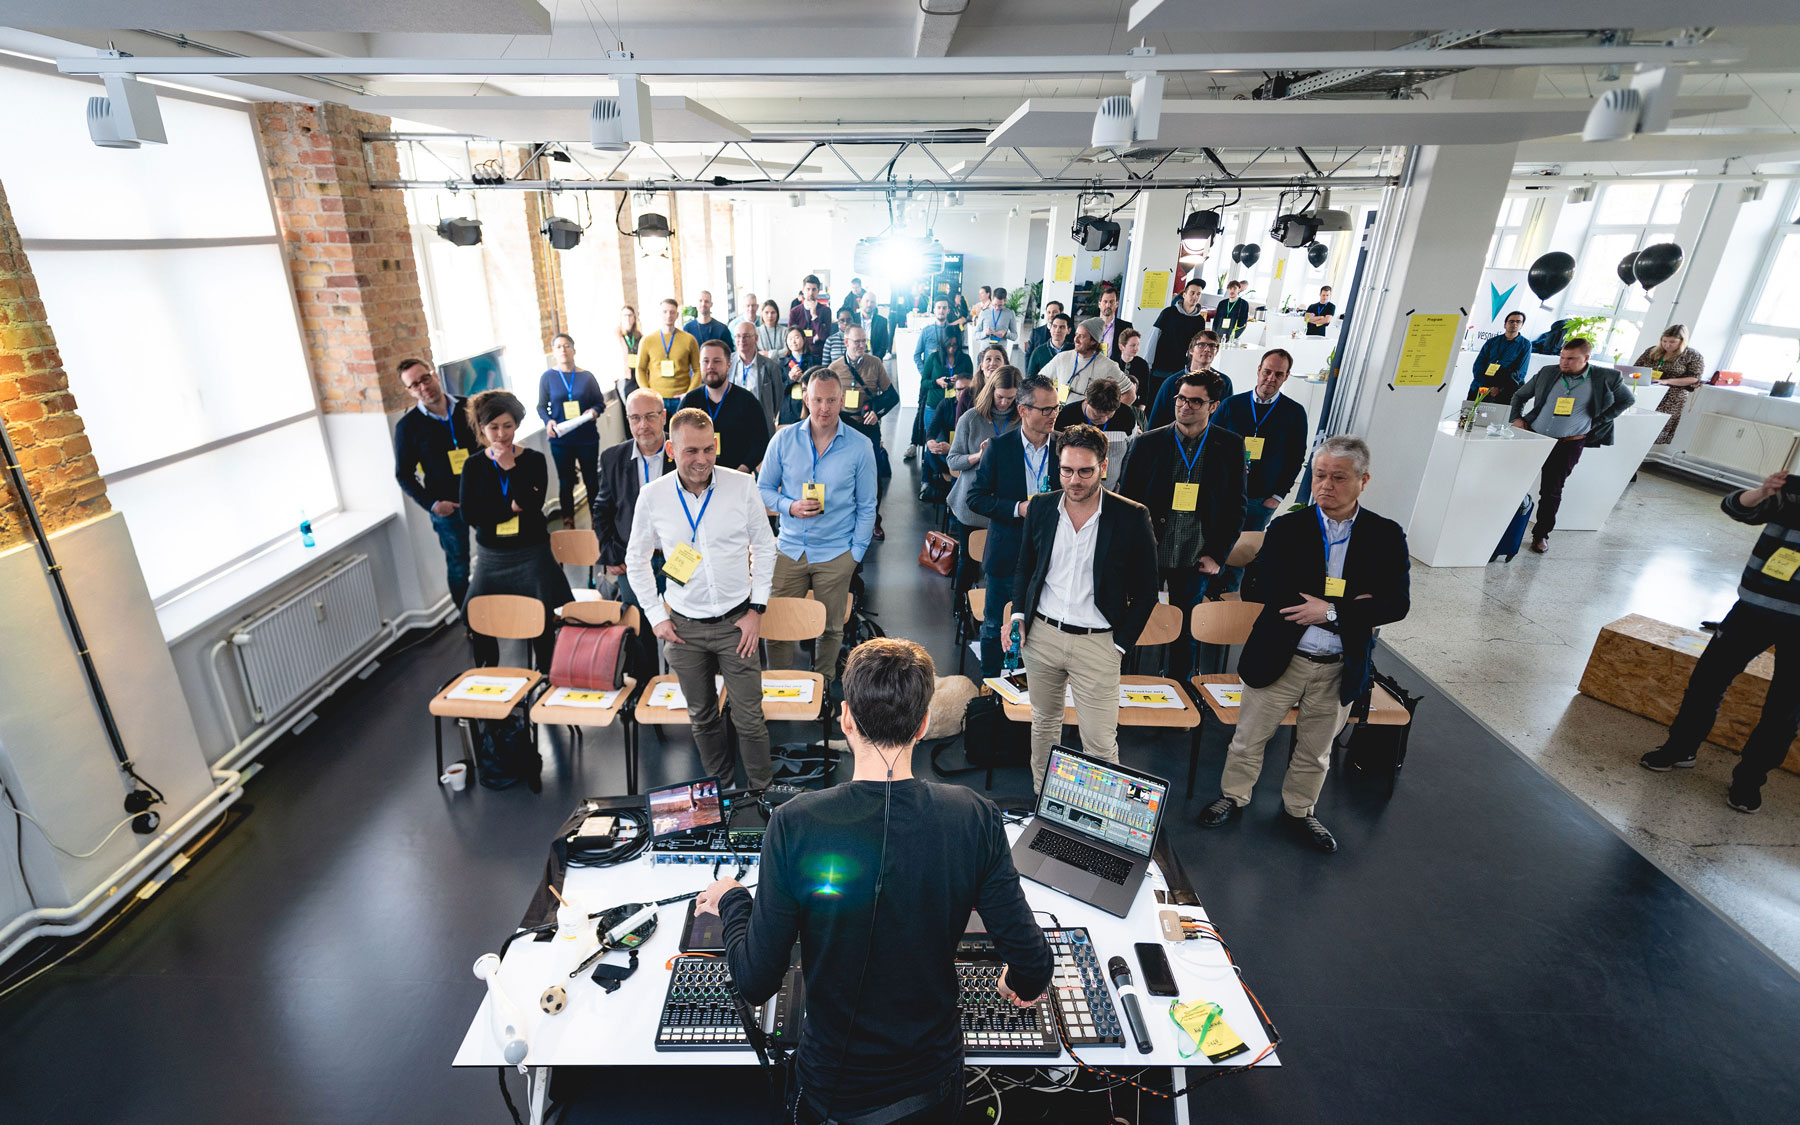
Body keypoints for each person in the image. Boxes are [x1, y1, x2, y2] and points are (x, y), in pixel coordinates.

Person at [698, 638, 1052, 1125]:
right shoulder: (975, 817)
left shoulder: (795, 824)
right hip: (934, 1091)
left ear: (846, 719)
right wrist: (1018, 978)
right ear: (924, 724)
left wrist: (736, 902)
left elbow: (756, 981)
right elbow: (1033, 963)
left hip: (833, 1097)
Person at [1198, 435, 1410, 854]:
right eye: (1318, 476)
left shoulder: (1385, 535)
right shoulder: (1288, 528)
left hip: (1339, 663)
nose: (1325, 486)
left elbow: (1395, 603)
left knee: (1316, 750)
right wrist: (1354, 605)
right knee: (1249, 738)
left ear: (1363, 481)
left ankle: (1300, 810)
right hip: (1282, 655)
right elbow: (1269, 586)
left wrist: (1329, 611)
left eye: (1338, 477)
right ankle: (1234, 796)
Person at [626, 408, 776, 791]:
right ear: (672, 449)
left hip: (736, 623)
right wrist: (657, 617)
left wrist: (757, 610)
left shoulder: (741, 486)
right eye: (692, 451)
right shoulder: (653, 497)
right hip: (683, 628)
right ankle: (721, 789)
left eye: (709, 449)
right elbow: (636, 560)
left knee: (749, 718)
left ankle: (762, 791)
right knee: (702, 718)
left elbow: (764, 546)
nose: (703, 460)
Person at [1640, 470, 1799, 814]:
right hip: (1752, 608)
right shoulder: (1794, 495)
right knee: (1707, 681)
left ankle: (1749, 780)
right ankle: (1681, 748)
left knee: (1784, 708)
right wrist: (1761, 491)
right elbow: (1736, 508)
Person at [1011, 425, 1159, 789]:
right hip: (1042, 636)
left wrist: (1120, 644)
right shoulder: (1043, 507)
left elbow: (1148, 590)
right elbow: (1025, 567)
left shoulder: (1130, 515)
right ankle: (1044, 801)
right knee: (1044, 724)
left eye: (1085, 471)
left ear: (1104, 467)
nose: (1074, 480)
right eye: (1066, 470)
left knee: (1100, 743)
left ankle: (1101, 822)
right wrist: (1018, 616)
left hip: (1098, 643)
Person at [1118, 370, 1246, 680]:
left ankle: (1179, 688)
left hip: (1195, 555)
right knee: (1131, 624)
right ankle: (1117, 685)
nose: (1184, 406)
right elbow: (1127, 500)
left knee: (1186, 631)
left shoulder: (1229, 446)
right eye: (1180, 399)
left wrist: (1218, 555)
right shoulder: (1148, 443)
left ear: (1213, 406)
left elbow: (1235, 507)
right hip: (1151, 551)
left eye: (1194, 401)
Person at [758, 368, 879, 687]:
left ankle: (822, 688)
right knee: (779, 623)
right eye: (817, 400)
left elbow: (868, 506)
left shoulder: (860, 446)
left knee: (830, 628)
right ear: (806, 399)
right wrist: (789, 505)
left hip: (836, 552)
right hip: (789, 548)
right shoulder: (783, 439)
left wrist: (854, 554)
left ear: (842, 401)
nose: (824, 407)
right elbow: (763, 489)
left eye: (831, 400)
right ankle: (780, 686)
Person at [458, 390, 573, 674]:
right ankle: (487, 673)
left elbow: (534, 506)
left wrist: (510, 468)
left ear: (517, 425)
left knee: (541, 615)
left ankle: (546, 674)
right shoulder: (473, 465)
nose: (500, 434)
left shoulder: (532, 459)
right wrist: (510, 508)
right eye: (493, 427)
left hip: (531, 552)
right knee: (478, 613)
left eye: (507, 426)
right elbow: (470, 515)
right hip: (492, 556)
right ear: (482, 428)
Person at [968, 373, 1059, 677]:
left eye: (1056, 408)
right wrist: (1017, 508)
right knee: (996, 626)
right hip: (1007, 553)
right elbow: (976, 498)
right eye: (1045, 409)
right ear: (1023, 410)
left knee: (1043, 628)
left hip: (1052, 556)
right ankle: (992, 687)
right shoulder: (999, 447)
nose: (1052, 416)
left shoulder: (1064, 447)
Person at [1509, 337, 1636, 554]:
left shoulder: (1606, 377)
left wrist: (1594, 422)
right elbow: (1520, 395)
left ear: (1586, 358)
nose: (1564, 362)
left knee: (1551, 491)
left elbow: (1626, 400)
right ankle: (1502, 529)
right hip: (1535, 437)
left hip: (1568, 443)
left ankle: (1541, 535)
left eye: (1571, 358)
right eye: (1562, 357)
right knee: (1513, 483)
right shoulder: (1548, 373)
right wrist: (1517, 418)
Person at [1215, 349, 1307, 594]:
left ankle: (1229, 602)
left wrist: (1277, 496)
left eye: (1278, 374)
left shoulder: (1294, 413)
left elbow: (1296, 457)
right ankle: (1207, 602)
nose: (1271, 378)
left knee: (1244, 555)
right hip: (1225, 494)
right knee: (1216, 548)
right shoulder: (1232, 405)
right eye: (1267, 371)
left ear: (1286, 377)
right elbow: (1212, 444)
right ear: (1258, 370)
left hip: (1261, 498)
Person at [392, 358, 477, 607]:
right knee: (459, 566)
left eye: (425, 378)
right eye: (414, 384)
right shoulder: (407, 427)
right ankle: (470, 620)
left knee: (498, 555)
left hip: (482, 499)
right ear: (409, 391)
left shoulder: (469, 406)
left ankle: (507, 611)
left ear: (434, 376)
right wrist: (433, 504)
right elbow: (403, 474)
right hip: (448, 509)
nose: (423, 387)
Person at [594, 389, 672, 611]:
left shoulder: (683, 454)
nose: (643, 425)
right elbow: (602, 510)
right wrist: (610, 553)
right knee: (638, 628)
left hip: (677, 558)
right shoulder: (612, 458)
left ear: (664, 417)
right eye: (635, 418)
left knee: (679, 626)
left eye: (650, 416)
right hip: (631, 560)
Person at [947, 367, 1020, 595]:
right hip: (971, 506)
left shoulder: (1021, 422)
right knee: (968, 562)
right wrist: (978, 456)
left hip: (1003, 506)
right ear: (991, 392)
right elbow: (953, 460)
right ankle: (960, 608)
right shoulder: (971, 418)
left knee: (1001, 568)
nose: (1004, 403)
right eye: (1000, 397)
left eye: (1011, 398)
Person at [536, 332, 606, 529]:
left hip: (587, 438)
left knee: (591, 480)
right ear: (553, 353)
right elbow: (541, 407)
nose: (563, 350)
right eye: (558, 347)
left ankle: (596, 520)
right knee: (565, 482)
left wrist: (593, 411)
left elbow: (599, 403)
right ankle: (568, 523)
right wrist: (548, 422)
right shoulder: (548, 377)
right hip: (561, 441)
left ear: (574, 350)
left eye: (567, 345)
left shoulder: (586, 377)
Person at [680, 338, 771, 473]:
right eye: (706, 361)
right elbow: (677, 438)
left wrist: (742, 470)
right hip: (697, 477)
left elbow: (761, 442)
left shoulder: (747, 401)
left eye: (717, 361)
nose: (710, 366)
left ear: (729, 365)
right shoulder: (690, 401)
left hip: (737, 477)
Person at [829, 325, 901, 489]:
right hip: (843, 425)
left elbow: (892, 396)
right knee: (843, 470)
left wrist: (877, 412)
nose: (862, 345)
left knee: (871, 472)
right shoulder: (834, 368)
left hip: (868, 424)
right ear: (846, 342)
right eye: (857, 341)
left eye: (864, 341)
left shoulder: (874, 363)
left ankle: (873, 512)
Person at [1147, 330, 1235, 430]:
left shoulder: (1224, 382)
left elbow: (1228, 418)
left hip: (1211, 440)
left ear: (1217, 351)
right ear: (1191, 350)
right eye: (1201, 345)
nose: (1207, 349)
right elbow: (1156, 421)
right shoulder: (1172, 382)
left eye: (1212, 346)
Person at [1634, 324, 1706, 445]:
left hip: (1672, 397)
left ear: (1682, 341)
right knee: (1637, 427)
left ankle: (1644, 456)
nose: (1667, 345)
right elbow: (1636, 368)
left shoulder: (1692, 355)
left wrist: (1667, 381)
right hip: (1647, 393)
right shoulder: (1652, 351)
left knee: (1654, 429)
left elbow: (1694, 378)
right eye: (1664, 341)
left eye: (1672, 342)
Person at [637, 298, 702, 411]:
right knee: (658, 429)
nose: (668, 315)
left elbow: (698, 369)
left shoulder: (689, 340)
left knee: (683, 429)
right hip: (657, 398)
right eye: (665, 312)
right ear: (660, 314)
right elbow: (640, 369)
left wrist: (689, 393)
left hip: (681, 397)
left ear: (677, 315)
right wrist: (648, 392)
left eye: (672, 312)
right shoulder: (647, 340)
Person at [922, 367, 974, 501]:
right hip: (947, 457)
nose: (961, 393)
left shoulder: (977, 410)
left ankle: (931, 485)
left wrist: (951, 449)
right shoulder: (946, 404)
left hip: (970, 459)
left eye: (966, 390)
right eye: (958, 390)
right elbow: (932, 430)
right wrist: (931, 442)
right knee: (931, 450)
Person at [1040, 322, 1124, 400]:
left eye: (1081, 336)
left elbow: (1130, 394)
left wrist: (1110, 413)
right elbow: (1039, 381)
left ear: (1094, 341)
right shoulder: (1062, 357)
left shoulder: (1109, 366)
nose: (1075, 340)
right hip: (1060, 413)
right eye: (1076, 335)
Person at [1148, 283, 1209, 383]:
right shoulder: (1168, 313)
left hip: (1181, 369)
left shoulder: (1200, 321)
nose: (1195, 297)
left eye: (1198, 294)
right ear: (1184, 295)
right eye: (1192, 293)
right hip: (1160, 368)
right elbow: (1154, 337)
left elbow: (1198, 346)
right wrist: (1148, 363)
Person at [1466, 311, 1532, 404]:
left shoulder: (1525, 345)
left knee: (1496, 417)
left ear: (1522, 325)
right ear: (1505, 324)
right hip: (1483, 384)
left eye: (1518, 321)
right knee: (1469, 414)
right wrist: (1484, 385)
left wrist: (1500, 388)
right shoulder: (1492, 342)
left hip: (1506, 388)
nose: (1514, 324)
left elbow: (1520, 372)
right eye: (1511, 321)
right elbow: (1478, 364)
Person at [731, 318, 783, 433]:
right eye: (738, 336)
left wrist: (768, 415)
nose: (741, 340)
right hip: (734, 423)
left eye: (746, 336)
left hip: (760, 423)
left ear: (756, 338)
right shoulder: (727, 363)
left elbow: (777, 398)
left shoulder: (770, 366)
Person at [1053, 374, 1134, 435]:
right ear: (1086, 400)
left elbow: (1132, 450)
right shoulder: (1066, 416)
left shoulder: (1126, 415)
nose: (1103, 420)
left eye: (1109, 415)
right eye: (1097, 415)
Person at [788, 274, 833, 364]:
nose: (811, 293)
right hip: (800, 355)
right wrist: (813, 339)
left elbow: (824, 336)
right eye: (808, 289)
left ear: (818, 291)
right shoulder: (795, 312)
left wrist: (814, 316)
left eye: (814, 289)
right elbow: (790, 336)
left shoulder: (825, 311)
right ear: (803, 290)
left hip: (819, 356)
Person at [1079, 287, 1132, 363]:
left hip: (1114, 370)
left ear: (1117, 304)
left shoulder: (1126, 327)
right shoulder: (1087, 326)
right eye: (1105, 301)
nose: (1108, 305)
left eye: (1111, 302)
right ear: (1099, 304)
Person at [778, 327, 813, 425]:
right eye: (790, 339)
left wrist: (803, 379)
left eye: (797, 337)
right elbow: (778, 391)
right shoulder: (781, 363)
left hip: (807, 407)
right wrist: (790, 379)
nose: (793, 341)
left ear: (804, 339)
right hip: (788, 409)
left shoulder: (813, 361)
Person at [912, 297, 952, 376]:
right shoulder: (926, 331)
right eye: (939, 307)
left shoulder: (953, 331)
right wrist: (924, 374)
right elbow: (917, 355)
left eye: (944, 308)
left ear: (948, 310)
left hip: (948, 376)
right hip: (930, 377)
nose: (941, 310)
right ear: (934, 310)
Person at [1116, 327, 1154, 404]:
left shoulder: (1142, 364)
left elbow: (1145, 391)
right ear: (1121, 347)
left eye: (1138, 345)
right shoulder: (1113, 363)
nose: (1136, 348)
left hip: (1134, 406)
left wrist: (1140, 411)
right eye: (1133, 345)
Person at [976, 286, 1017, 354]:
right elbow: (975, 335)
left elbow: (1015, 336)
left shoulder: (1010, 313)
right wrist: (985, 333)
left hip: (1001, 355)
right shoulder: (984, 312)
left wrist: (1006, 334)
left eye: (1000, 305)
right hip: (984, 353)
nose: (997, 308)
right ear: (992, 299)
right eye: (995, 304)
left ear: (1005, 300)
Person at [1212, 280, 1251, 344]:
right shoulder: (1222, 303)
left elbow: (1243, 322)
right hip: (1219, 334)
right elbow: (1216, 320)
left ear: (1239, 290)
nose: (1232, 291)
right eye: (1230, 288)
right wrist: (1214, 335)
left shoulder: (1243, 304)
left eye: (1235, 288)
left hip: (1232, 337)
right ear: (1227, 290)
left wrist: (1234, 337)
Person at [859, 292, 892, 362]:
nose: (869, 304)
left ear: (876, 304)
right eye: (867, 301)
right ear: (861, 302)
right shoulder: (853, 319)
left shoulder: (882, 321)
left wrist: (874, 360)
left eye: (872, 302)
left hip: (874, 361)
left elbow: (884, 344)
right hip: (855, 361)